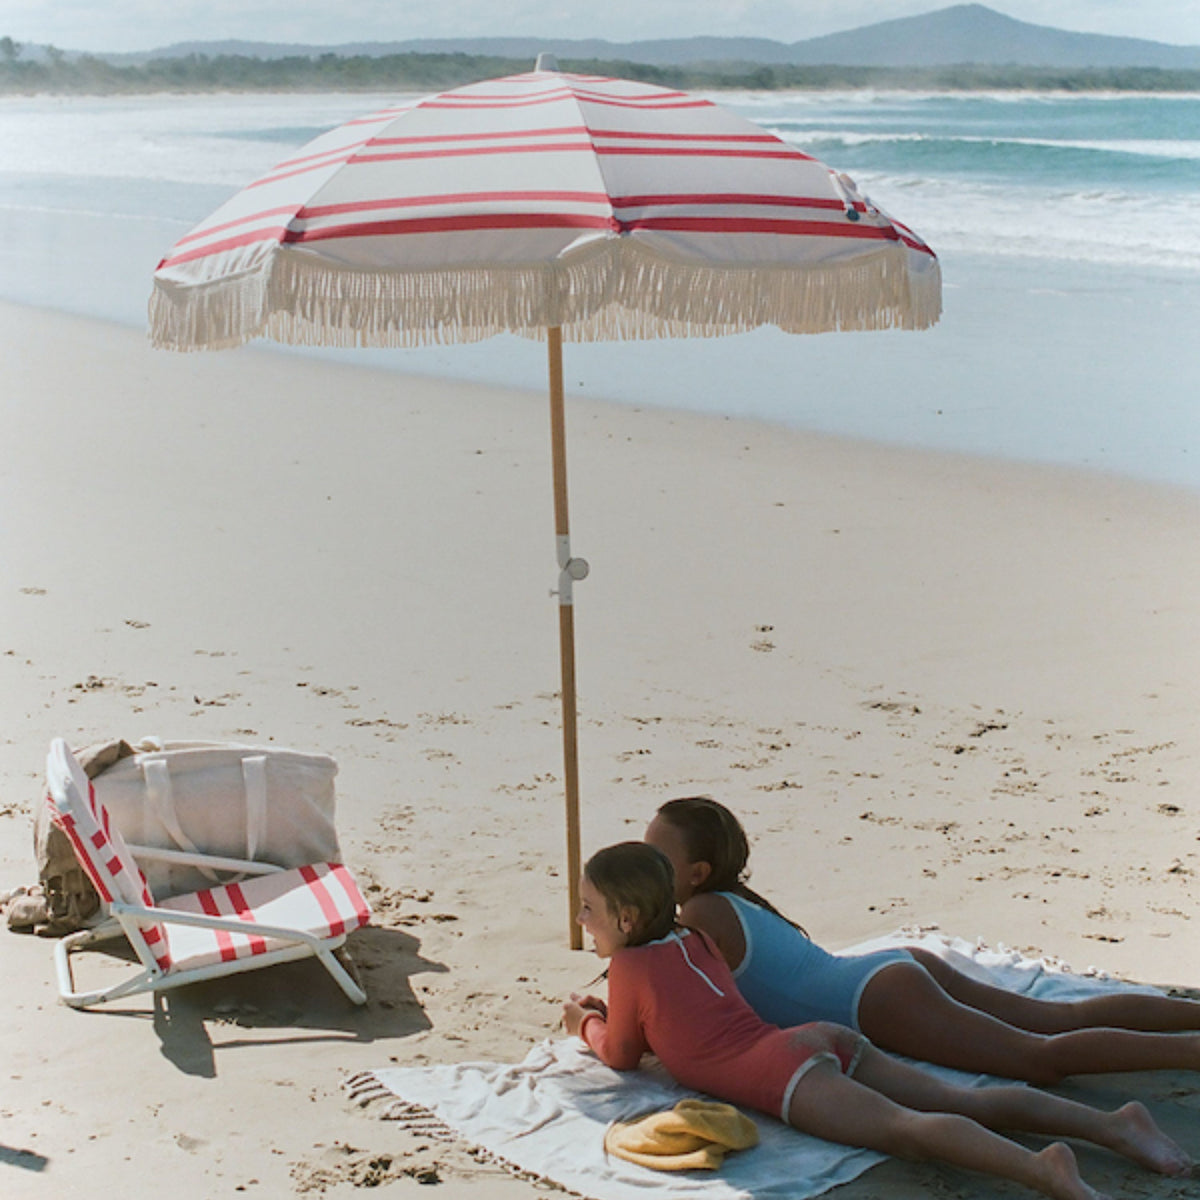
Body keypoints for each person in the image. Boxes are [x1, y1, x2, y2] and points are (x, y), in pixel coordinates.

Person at [563, 842, 1193, 1200]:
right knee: (957, 1098)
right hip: (813, 1041)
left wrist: (585, 1025)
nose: (581, 920)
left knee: (907, 1129)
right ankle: (1110, 1124)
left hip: (783, 1070)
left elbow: (621, 1054)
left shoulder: (630, 972)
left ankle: (1041, 1169)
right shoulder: (692, 939)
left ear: (623, 919)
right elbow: (702, 1010)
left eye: (588, 909)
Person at [644, 796, 1200, 1084]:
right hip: (885, 973)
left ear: (696, 871)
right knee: (1053, 1020)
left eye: (655, 855)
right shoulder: (727, 899)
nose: (644, 864)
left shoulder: (700, 914)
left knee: (1041, 1059)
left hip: (877, 998)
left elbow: (691, 1008)